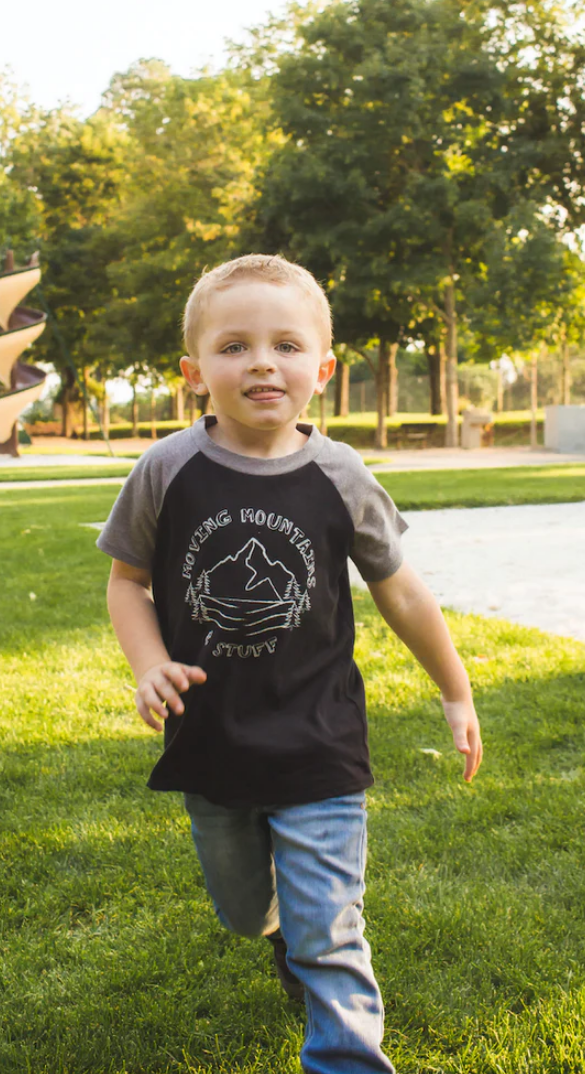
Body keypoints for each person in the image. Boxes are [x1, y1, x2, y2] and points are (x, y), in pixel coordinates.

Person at [96, 254, 482, 1074]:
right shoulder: (166, 470)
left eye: (286, 345)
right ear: (194, 371)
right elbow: (126, 583)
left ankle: (342, 1049)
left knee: (331, 930)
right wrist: (150, 662)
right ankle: (280, 931)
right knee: (246, 911)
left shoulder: (342, 475)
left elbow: (402, 592)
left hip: (320, 741)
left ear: (323, 368)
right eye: (234, 346)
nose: (262, 362)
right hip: (211, 740)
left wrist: (455, 690)